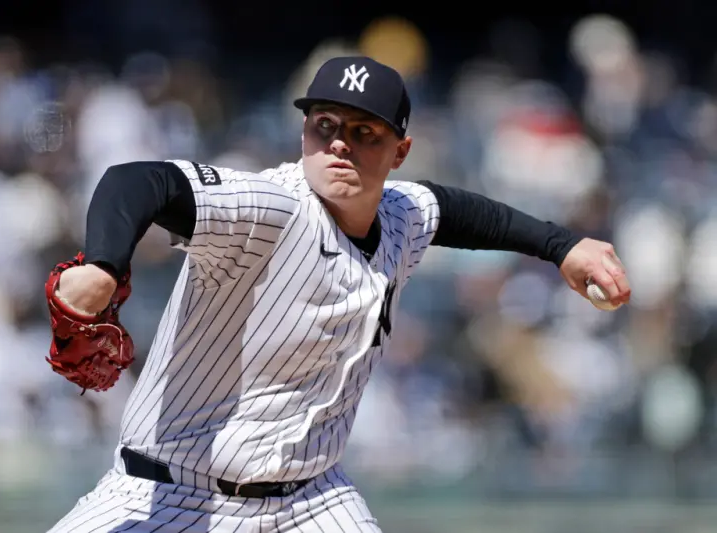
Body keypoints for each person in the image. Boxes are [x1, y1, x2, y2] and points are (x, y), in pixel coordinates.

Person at [45, 56, 630, 532]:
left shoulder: (401, 214)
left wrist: (563, 246)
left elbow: (459, 212)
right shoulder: (269, 207)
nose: (340, 144)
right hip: (171, 494)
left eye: (363, 132)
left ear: (399, 152)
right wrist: (103, 265)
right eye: (324, 125)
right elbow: (137, 180)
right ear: (304, 133)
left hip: (311, 503)